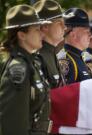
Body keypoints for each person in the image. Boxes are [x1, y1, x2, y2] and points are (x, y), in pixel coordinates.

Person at [0, 4, 51, 135]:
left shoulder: (32, 62)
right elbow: (14, 124)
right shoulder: (18, 68)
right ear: (22, 35)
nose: (42, 33)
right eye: (37, 29)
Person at [33, 0, 66, 88]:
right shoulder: (38, 57)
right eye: (59, 23)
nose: (64, 27)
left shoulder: (52, 52)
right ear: (45, 27)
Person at [57, 7, 92, 85]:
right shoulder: (67, 61)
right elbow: (65, 95)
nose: (90, 35)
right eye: (87, 31)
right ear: (73, 35)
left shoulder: (77, 57)